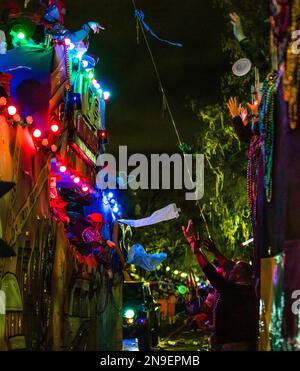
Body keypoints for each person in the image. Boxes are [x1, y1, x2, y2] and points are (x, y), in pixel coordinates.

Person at [182, 220, 258, 351]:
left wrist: (196, 250)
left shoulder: (233, 291)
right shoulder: (249, 290)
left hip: (234, 346)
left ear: (239, 275)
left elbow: (210, 272)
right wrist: (215, 251)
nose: (230, 271)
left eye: (233, 271)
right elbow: (228, 265)